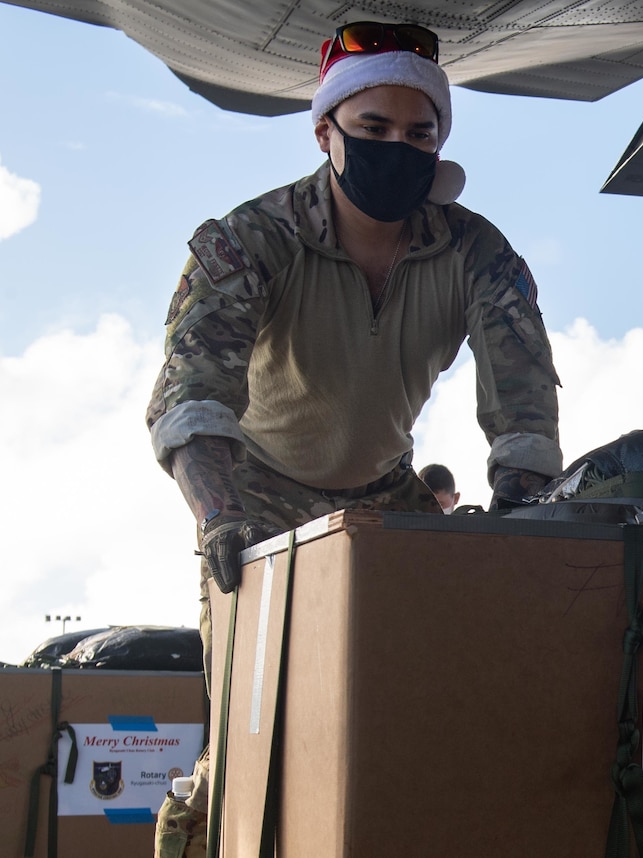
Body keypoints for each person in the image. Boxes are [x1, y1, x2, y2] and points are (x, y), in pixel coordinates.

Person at [145, 21, 562, 857]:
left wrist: (521, 511)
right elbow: (192, 398)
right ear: (326, 130)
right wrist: (219, 517)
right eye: (373, 129)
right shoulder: (248, 240)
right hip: (256, 502)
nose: (398, 149)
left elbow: (522, 397)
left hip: (382, 497)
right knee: (246, 744)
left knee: (428, 716)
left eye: (420, 133)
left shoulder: (475, 250)